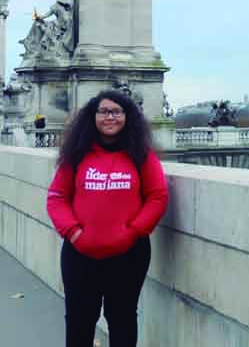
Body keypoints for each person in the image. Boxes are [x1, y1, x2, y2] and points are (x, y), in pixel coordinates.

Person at [47, 90, 169, 346]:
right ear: (93, 117)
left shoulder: (141, 155)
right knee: (79, 320)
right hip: (79, 254)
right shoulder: (77, 155)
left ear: (127, 117)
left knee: (122, 318)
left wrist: (133, 233)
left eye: (116, 112)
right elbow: (57, 197)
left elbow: (157, 197)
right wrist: (74, 233)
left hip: (129, 255)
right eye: (103, 112)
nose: (109, 117)